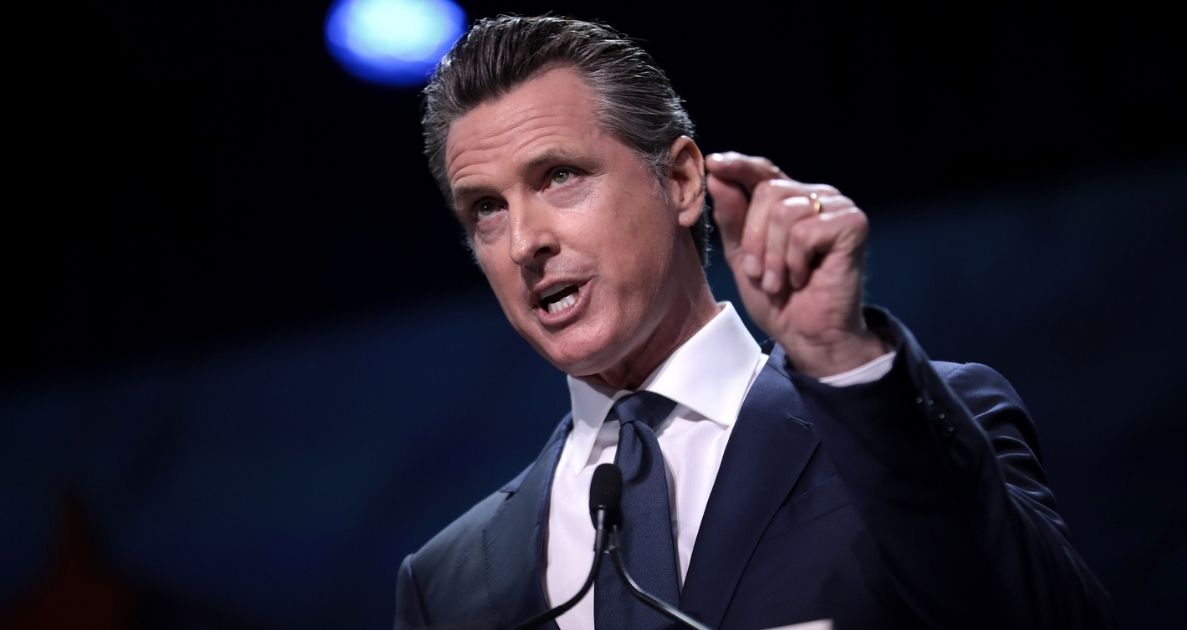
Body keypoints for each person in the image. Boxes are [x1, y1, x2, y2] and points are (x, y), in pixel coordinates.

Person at [395, 14, 1111, 630]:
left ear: (679, 181)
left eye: (559, 176)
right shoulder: (448, 582)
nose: (525, 242)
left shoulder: (914, 427)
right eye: (485, 208)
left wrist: (839, 354)